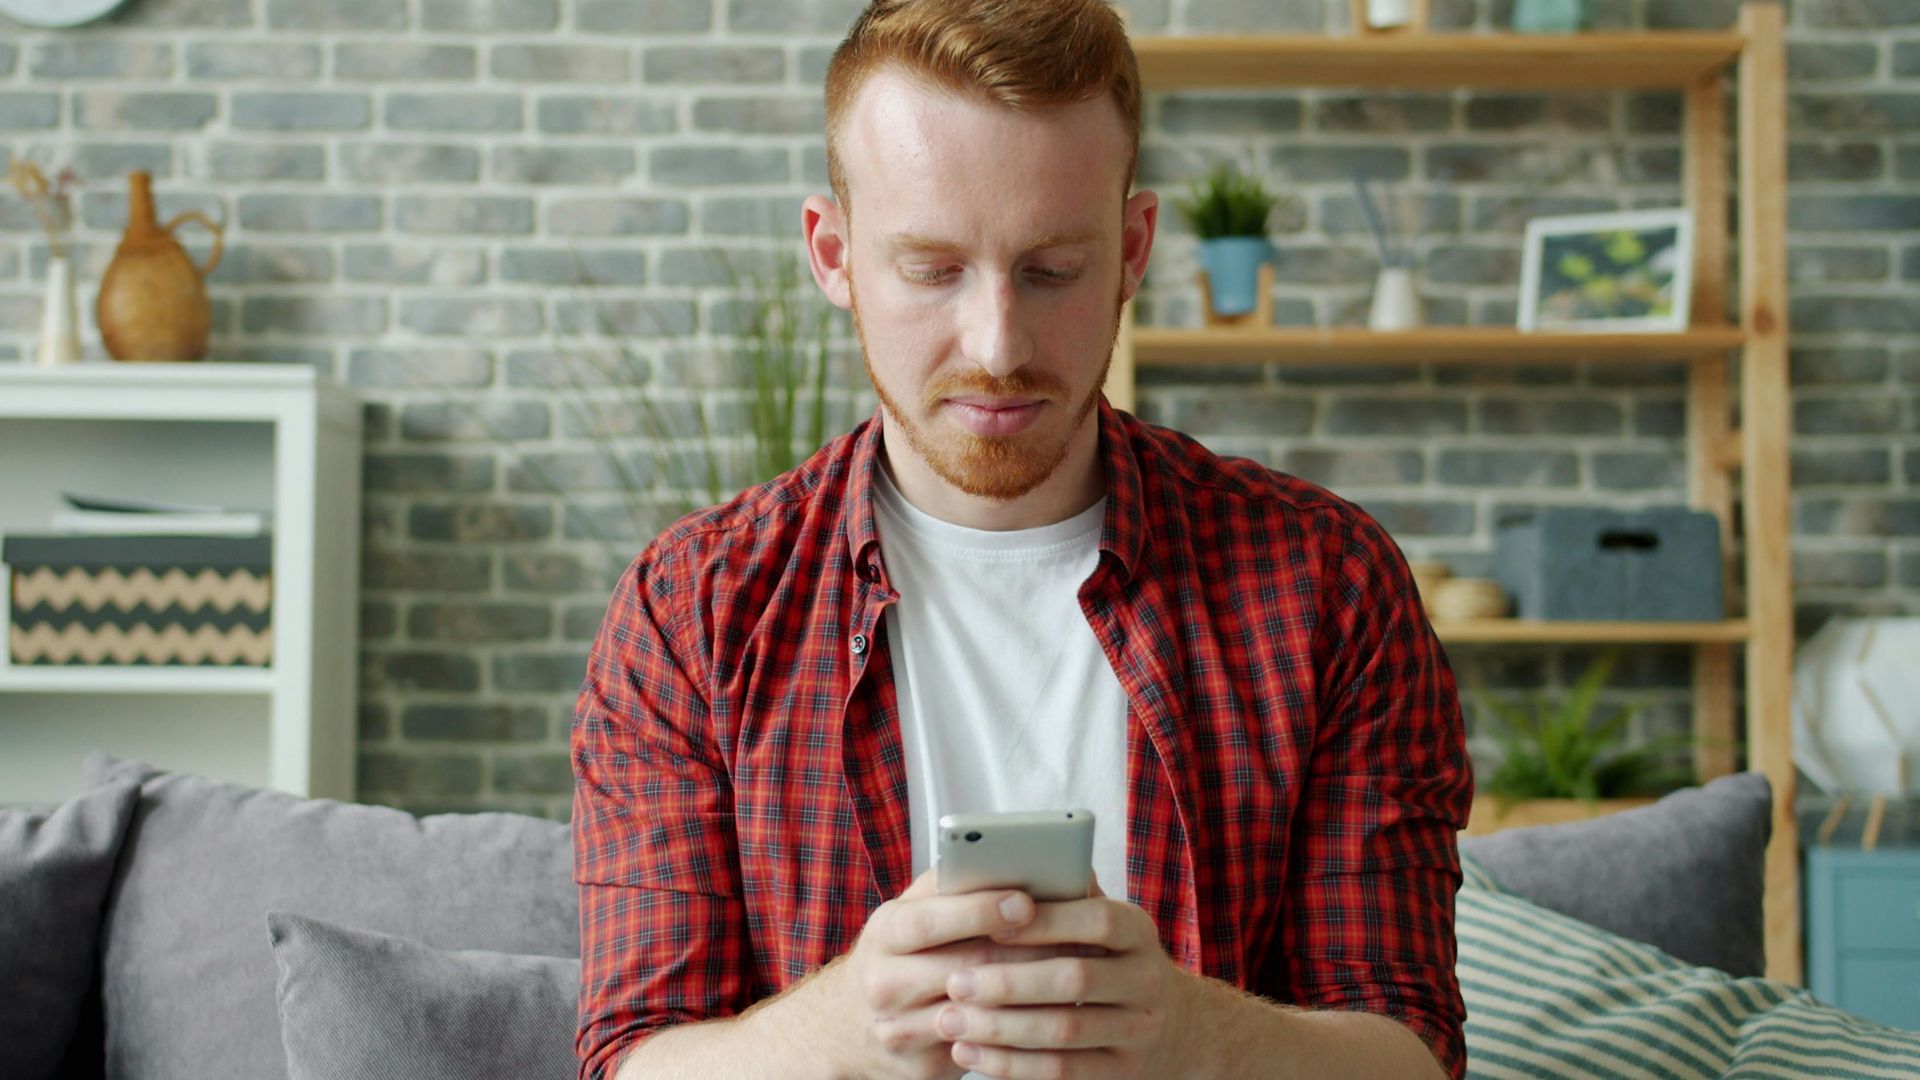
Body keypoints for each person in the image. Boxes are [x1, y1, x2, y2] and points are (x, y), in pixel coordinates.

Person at [570, 1, 1473, 1078]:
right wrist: (850, 1027)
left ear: (1133, 249)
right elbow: (630, 1061)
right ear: (833, 255)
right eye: (932, 269)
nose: (998, 346)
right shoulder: (696, 612)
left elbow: (1412, 1056)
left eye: (1051, 270)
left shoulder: (1327, 586)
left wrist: (1186, 1033)